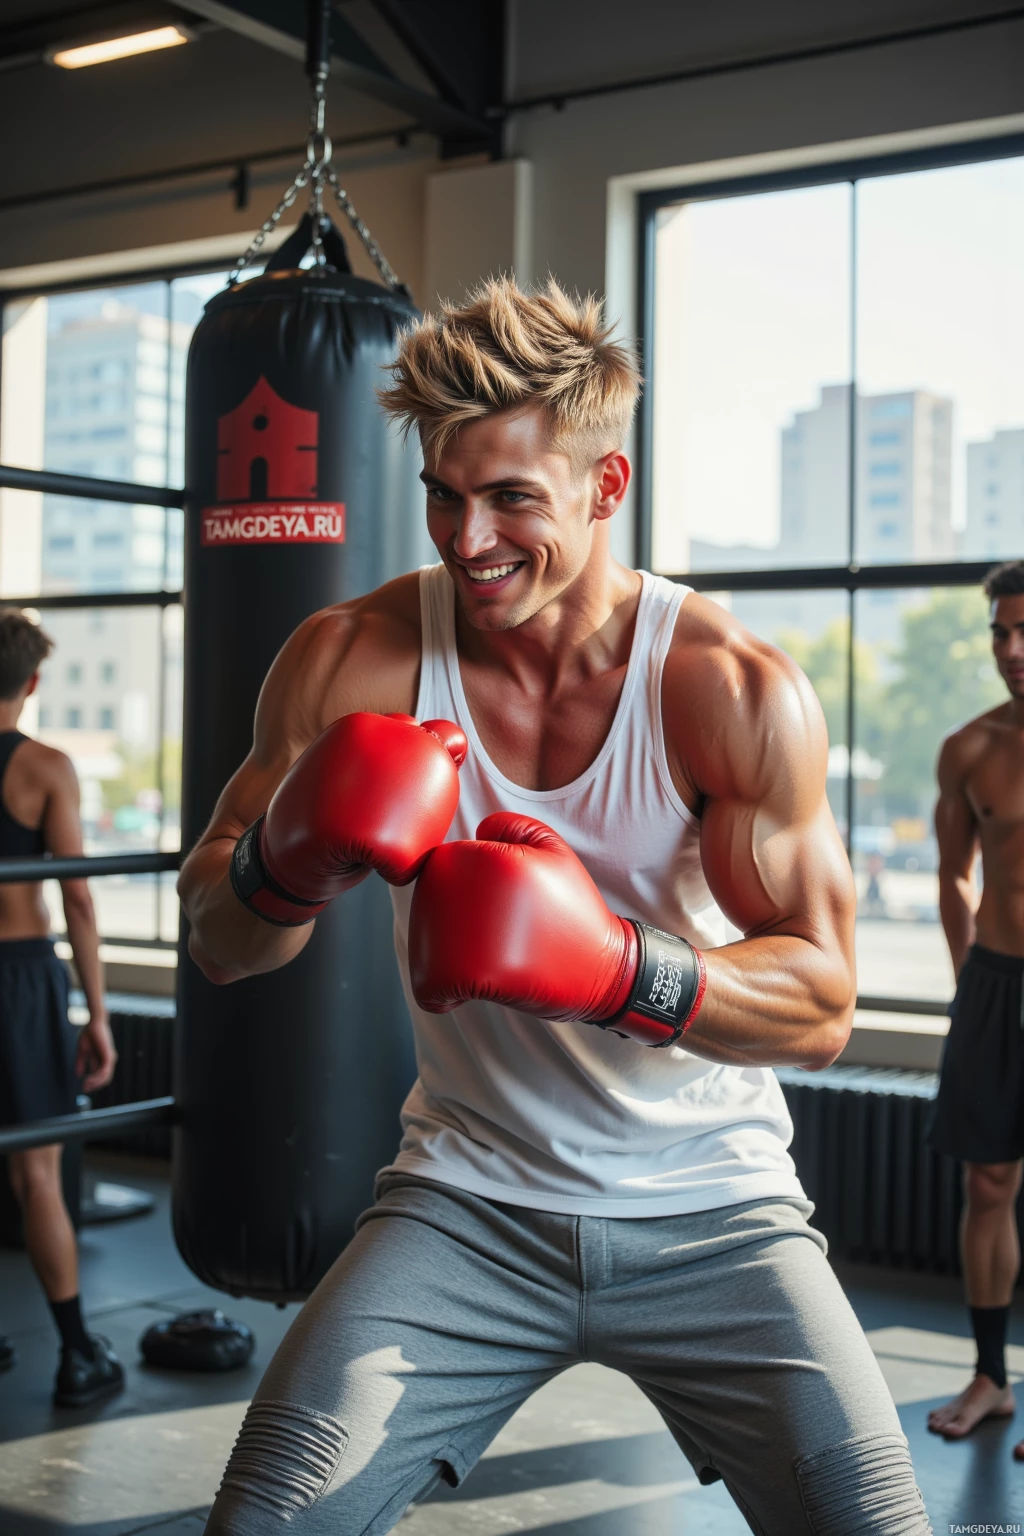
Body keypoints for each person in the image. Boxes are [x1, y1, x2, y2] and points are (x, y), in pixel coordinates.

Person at [182, 279, 929, 1534]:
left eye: (511, 498)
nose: (466, 539)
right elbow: (219, 941)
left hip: (716, 1215)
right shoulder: (348, 656)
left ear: (604, 486)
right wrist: (284, 864)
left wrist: (614, 969)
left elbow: (820, 1006)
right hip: (466, 1201)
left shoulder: (723, 685)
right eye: (441, 492)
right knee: (261, 1522)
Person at [0, 608, 123, 1406]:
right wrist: (99, 1015)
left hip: (21, 980)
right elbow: (77, 898)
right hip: (20, 979)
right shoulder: (45, 767)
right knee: (38, 1173)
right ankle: (78, 1353)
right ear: (33, 681)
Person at [928, 559, 1024, 1457]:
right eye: (1001, 631)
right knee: (986, 1183)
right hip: (997, 986)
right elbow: (953, 876)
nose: (1013, 649)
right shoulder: (971, 749)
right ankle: (992, 1375)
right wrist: (969, 982)